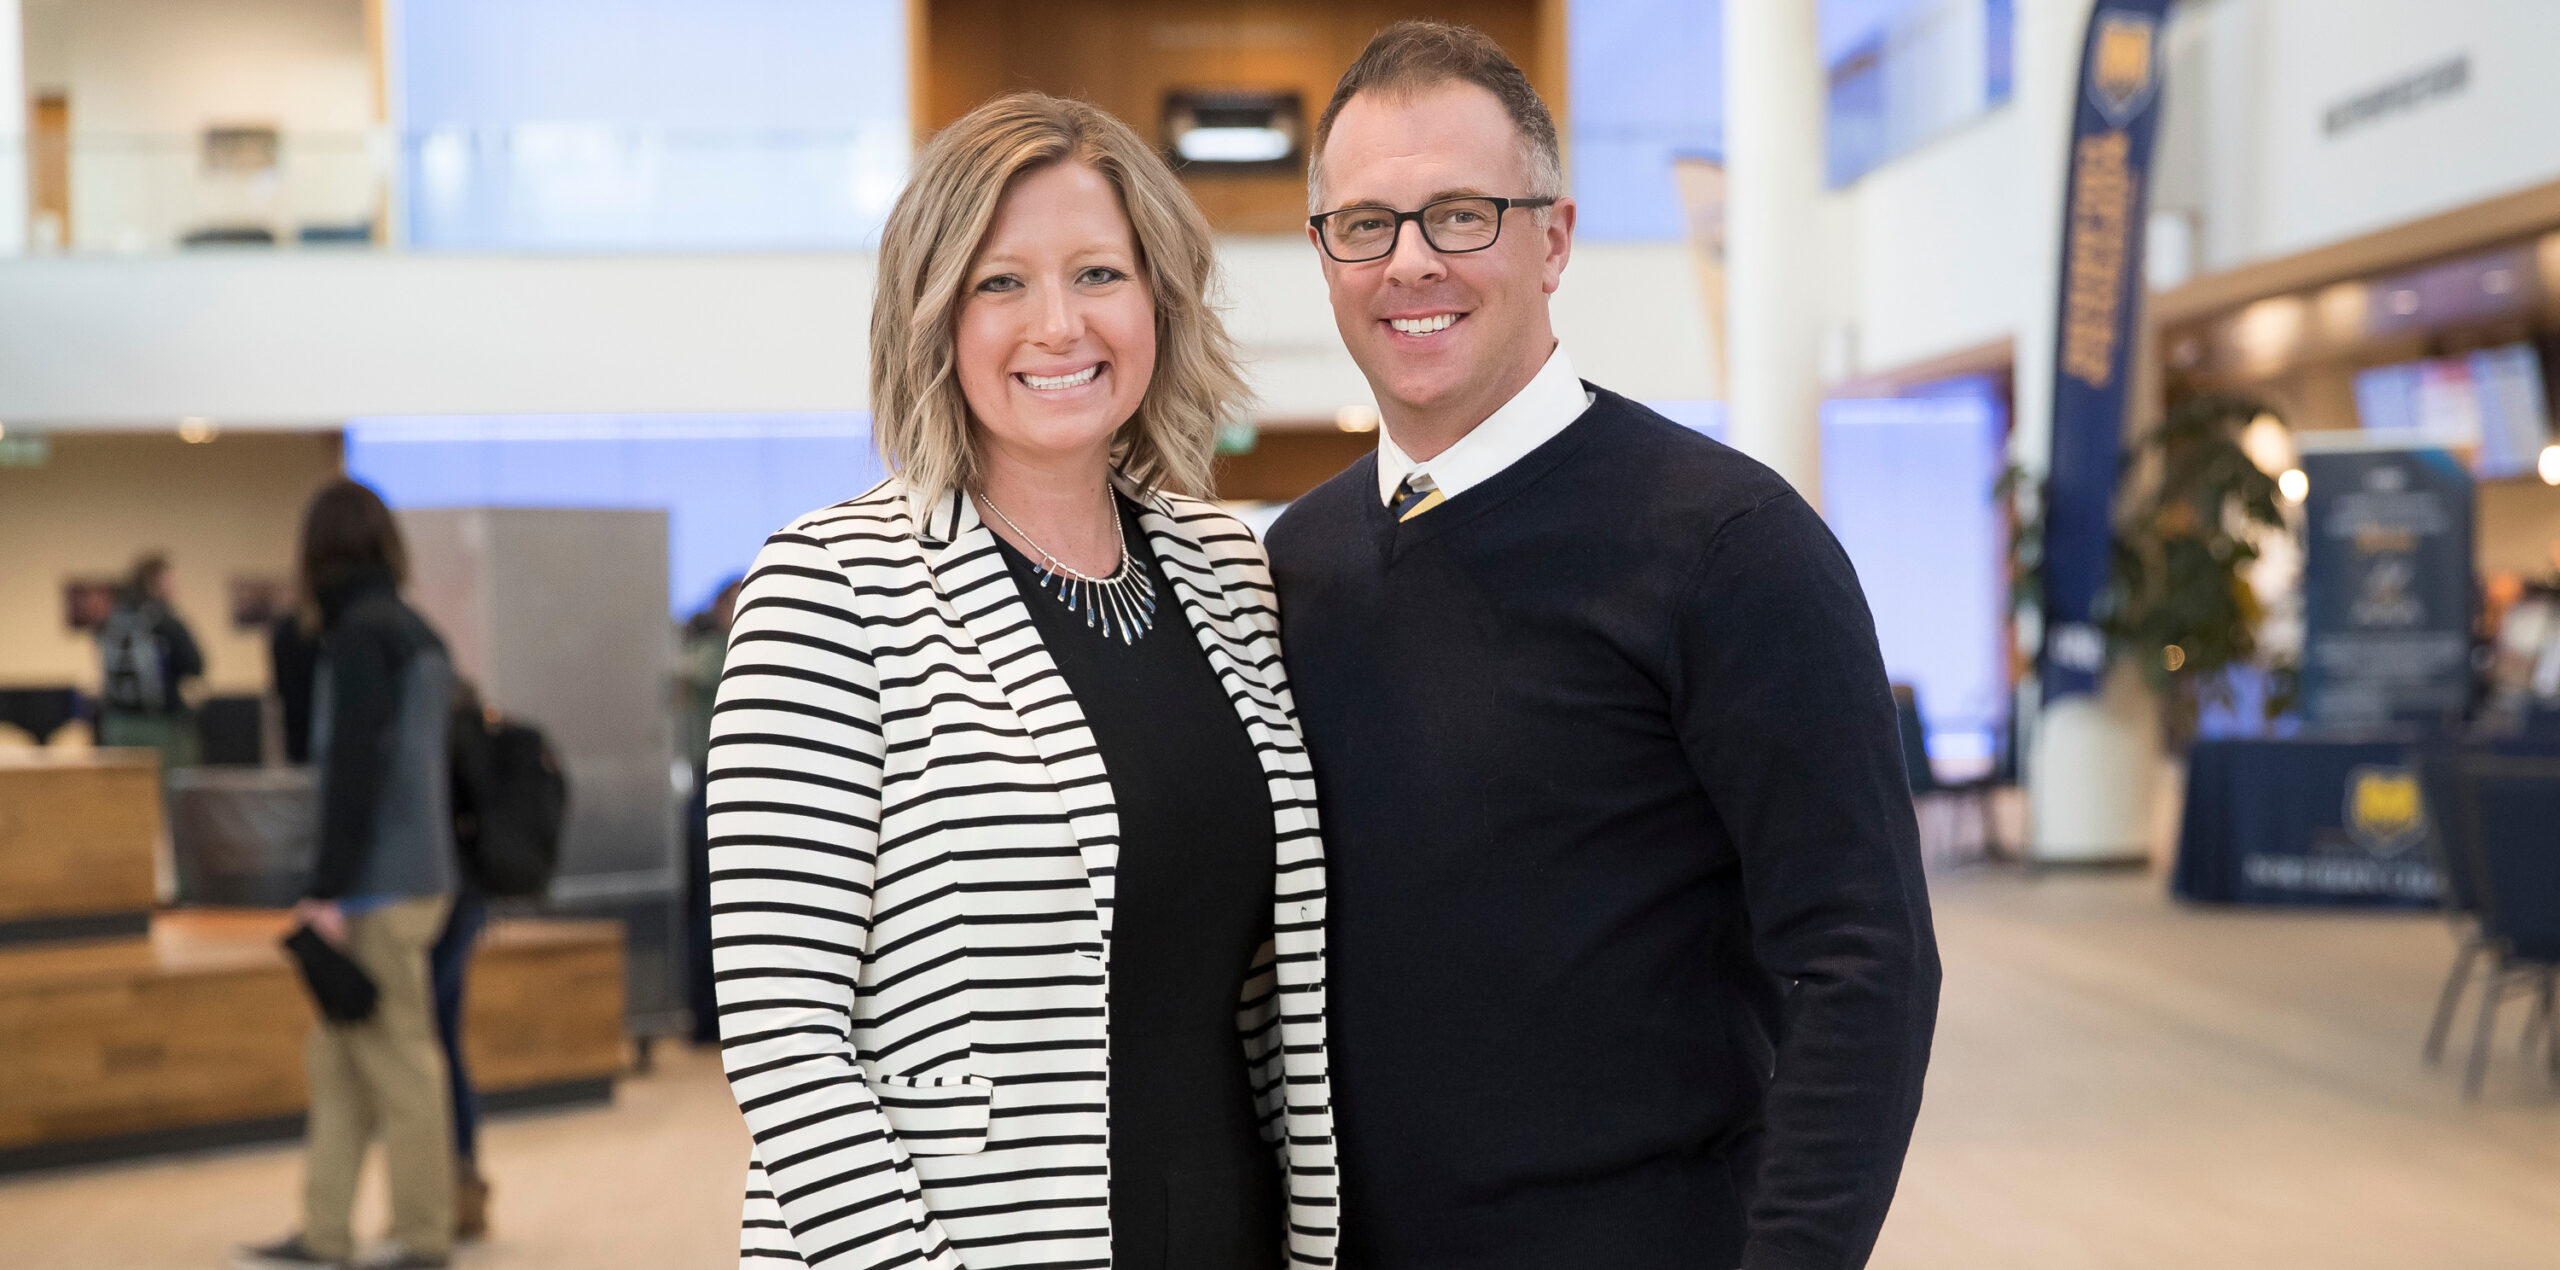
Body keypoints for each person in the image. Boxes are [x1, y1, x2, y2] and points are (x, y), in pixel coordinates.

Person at [1265, 22, 1941, 1270]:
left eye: (1460, 214)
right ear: (1324, 257)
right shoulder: (1295, 563)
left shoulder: (1728, 545)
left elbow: (1863, 963)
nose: (1409, 262)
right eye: (1365, 224)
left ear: (1555, 237)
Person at [709, 91, 1336, 1270]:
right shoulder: (827, 586)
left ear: (1158, 299)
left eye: (1098, 273)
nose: (1058, 324)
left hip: (1225, 1220)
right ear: (934, 317)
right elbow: (784, 1038)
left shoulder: (1227, 574)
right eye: (1001, 283)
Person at [239, 479, 459, 1270]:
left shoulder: (361, 636)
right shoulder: (416, 630)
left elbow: (354, 770)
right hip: (418, 872)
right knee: (338, 1064)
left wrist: (325, 887)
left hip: (378, 884)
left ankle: (423, 1234)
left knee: (400, 1065)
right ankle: (325, 1231)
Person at [678, 575, 742, 1045]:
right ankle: (707, 1019)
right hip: (714, 781)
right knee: (713, 910)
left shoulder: (709, 652)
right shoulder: (719, 655)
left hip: (717, 780)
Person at [95, 552, 205, 771]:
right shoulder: (166, 622)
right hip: (161, 725)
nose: (174, 585)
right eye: (169, 579)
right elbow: (196, 666)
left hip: (116, 726)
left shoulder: (111, 620)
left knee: (126, 794)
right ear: (155, 582)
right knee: (172, 793)